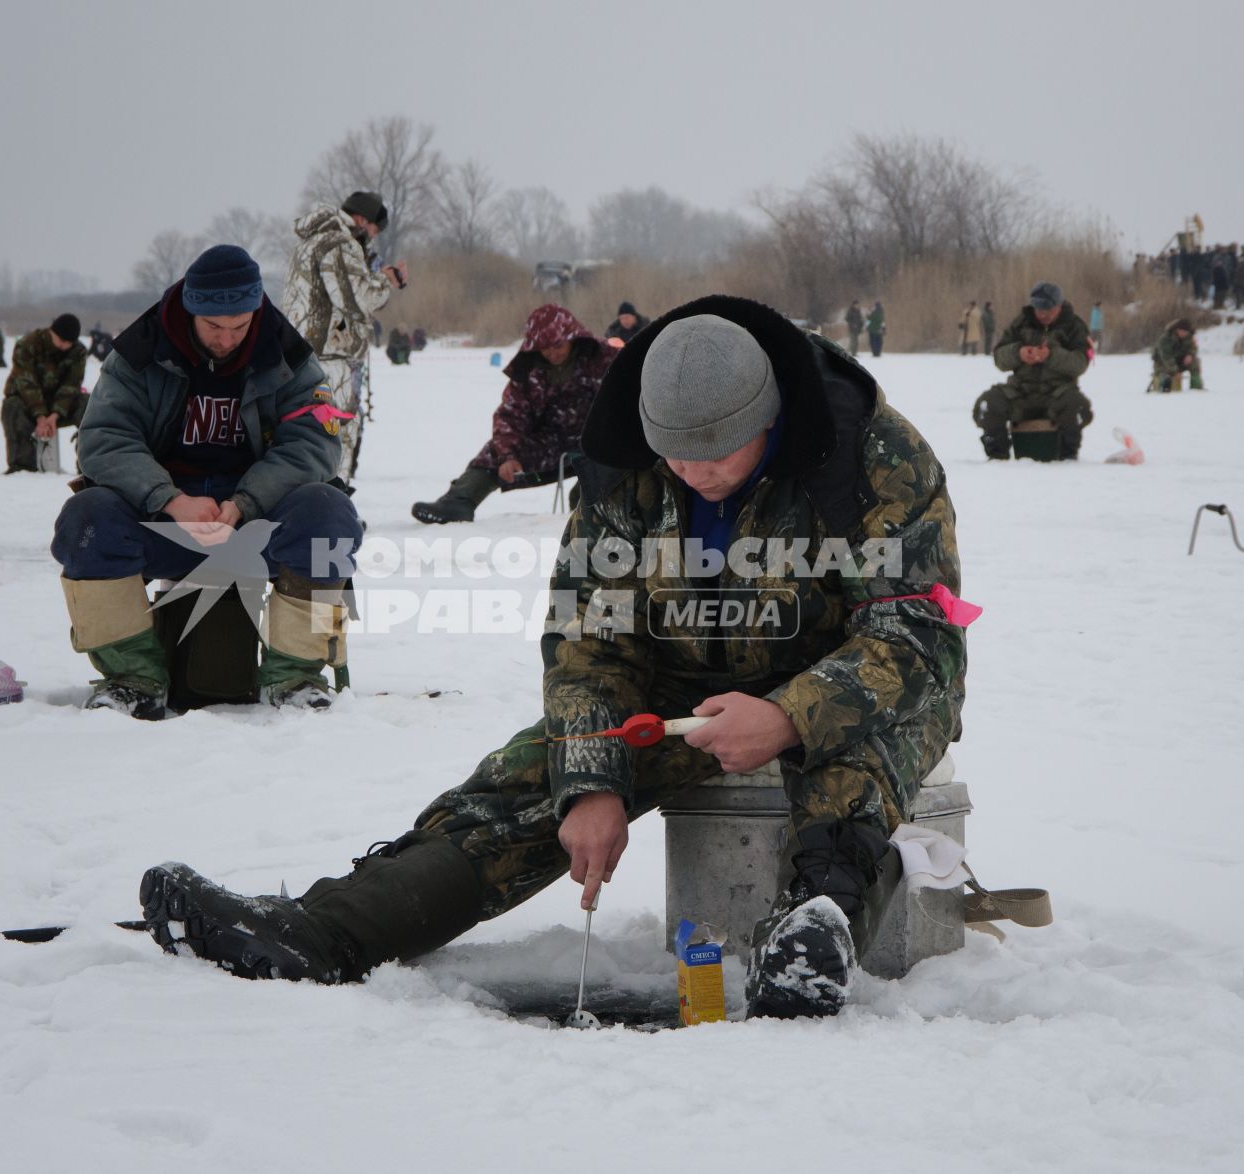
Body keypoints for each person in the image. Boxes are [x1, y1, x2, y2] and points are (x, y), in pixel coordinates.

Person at [136, 295, 968, 1021]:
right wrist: (592, 781)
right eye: (678, 454)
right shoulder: (622, 467)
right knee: (525, 784)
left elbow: (917, 636)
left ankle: (814, 933)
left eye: (719, 453)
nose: (696, 473)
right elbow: (590, 640)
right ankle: (328, 931)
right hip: (683, 678)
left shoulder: (873, 455)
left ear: (771, 418)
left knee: (853, 747)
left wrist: (789, 715)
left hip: (845, 670)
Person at [50, 245, 364, 718]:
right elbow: (103, 440)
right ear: (190, 310)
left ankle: (295, 677)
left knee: (329, 518)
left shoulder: (286, 352)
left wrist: (246, 502)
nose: (228, 339)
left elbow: (315, 443)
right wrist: (170, 499)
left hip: (254, 521)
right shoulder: (140, 351)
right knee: (87, 520)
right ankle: (132, 677)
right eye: (214, 327)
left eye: (240, 327)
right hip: (166, 521)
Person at [410, 305, 613, 524]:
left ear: (573, 337)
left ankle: (592, 507)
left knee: (608, 469)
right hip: (549, 443)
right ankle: (458, 501)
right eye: (545, 348)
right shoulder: (527, 370)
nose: (553, 353)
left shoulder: (603, 358)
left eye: (558, 345)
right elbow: (510, 416)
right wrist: (508, 457)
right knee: (495, 451)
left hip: (599, 441)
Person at [281, 190, 406, 484]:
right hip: (328, 357)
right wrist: (387, 280)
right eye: (374, 229)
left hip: (302, 353)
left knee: (307, 430)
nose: (373, 236)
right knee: (338, 429)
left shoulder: (309, 242)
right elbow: (358, 297)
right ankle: (334, 501)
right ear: (362, 219)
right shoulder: (338, 242)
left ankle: (313, 500)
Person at [973, 281, 1093, 460]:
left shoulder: (1074, 326)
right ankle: (997, 457)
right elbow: (999, 357)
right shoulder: (1021, 322)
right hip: (1021, 392)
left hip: (1057, 394)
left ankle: (1068, 456)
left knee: (1077, 405)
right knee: (988, 404)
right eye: (1039, 309)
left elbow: (1080, 363)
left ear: (1059, 306)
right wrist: (1018, 353)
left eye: (1048, 309)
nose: (1043, 314)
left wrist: (1051, 356)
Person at [2, 314, 91, 473]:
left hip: (60, 405)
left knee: (89, 404)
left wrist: (55, 415)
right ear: (52, 332)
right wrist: (41, 416)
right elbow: (27, 384)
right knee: (12, 406)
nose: (64, 346)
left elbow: (71, 386)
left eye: (68, 342)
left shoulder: (78, 351)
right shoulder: (28, 344)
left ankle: (89, 465)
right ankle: (22, 466)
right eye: (61, 340)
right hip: (27, 401)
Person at [1149, 318, 1203, 393]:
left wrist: (1190, 355)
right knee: (1166, 377)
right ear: (1177, 329)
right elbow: (1166, 357)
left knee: (1195, 362)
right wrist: (1175, 371)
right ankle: (1161, 388)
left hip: (1179, 362)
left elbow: (1193, 349)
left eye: (1185, 331)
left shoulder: (1190, 337)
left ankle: (1196, 388)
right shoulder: (1165, 339)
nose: (1183, 333)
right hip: (1162, 364)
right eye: (1181, 331)